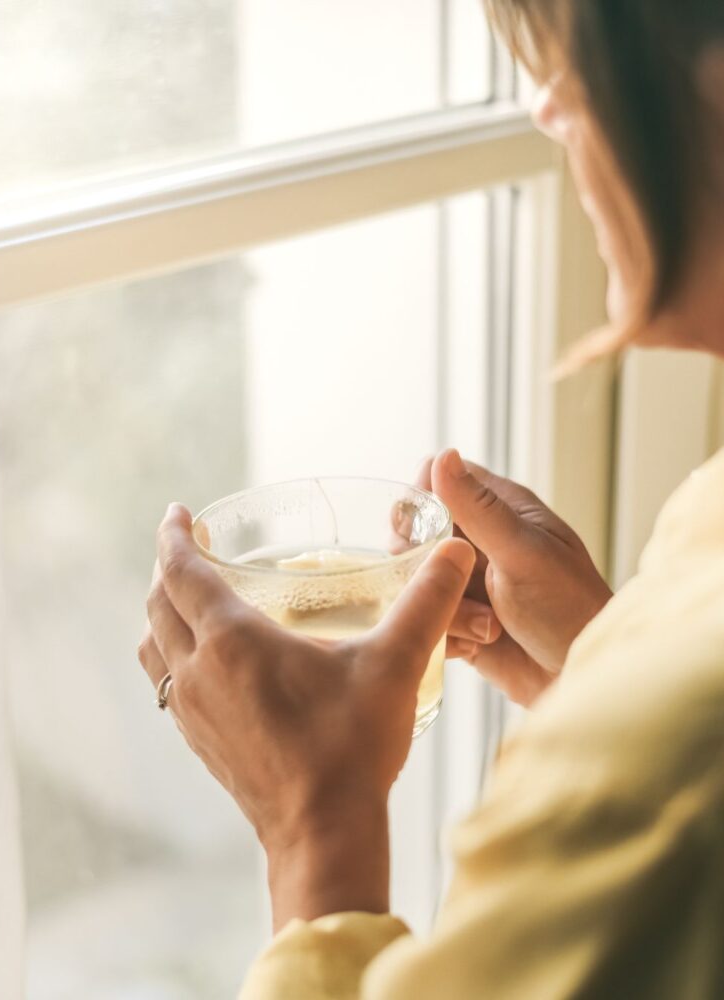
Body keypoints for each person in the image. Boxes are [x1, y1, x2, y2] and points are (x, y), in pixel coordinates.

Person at [137, 1, 724, 995]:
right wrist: (598, 665)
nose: (544, 106)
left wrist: (313, 827)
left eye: (570, 56)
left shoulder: (671, 769)